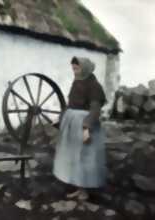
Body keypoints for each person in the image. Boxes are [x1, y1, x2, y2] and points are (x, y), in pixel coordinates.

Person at [53, 56, 107, 200]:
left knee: (84, 157)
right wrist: (61, 119)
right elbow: (70, 103)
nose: (74, 71)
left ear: (85, 68)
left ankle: (84, 190)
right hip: (72, 123)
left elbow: (95, 109)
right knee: (73, 156)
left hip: (83, 123)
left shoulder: (94, 86)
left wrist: (86, 128)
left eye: (77, 69)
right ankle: (79, 188)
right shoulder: (77, 82)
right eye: (73, 69)